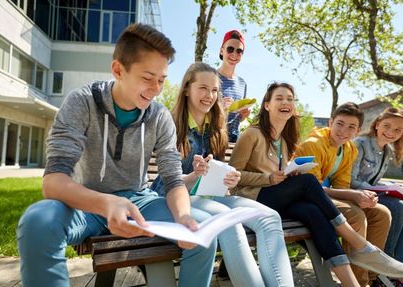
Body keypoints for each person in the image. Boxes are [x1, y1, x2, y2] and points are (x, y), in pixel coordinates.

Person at [16, 23, 217, 287]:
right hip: (85, 203)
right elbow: (53, 181)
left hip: (139, 202)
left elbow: (173, 179)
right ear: (118, 70)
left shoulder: (159, 116)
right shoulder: (81, 102)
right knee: (37, 222)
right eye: (147, 78)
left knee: (202, 231)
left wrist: (182, 216)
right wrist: (106, 203)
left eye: (161, 80)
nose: (156, 89)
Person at [229, 82, 403, 287]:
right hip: (251, 198)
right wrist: (269, 178)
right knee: (307, 182)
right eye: (279, 98)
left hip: (277, 197)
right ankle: (361, 246)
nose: (285, 102)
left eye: (290, 99)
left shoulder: (287, 139)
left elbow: (282, 175)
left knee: (314, 213)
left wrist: (289, 173)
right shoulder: (253, 134)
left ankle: (352, 284)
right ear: (267, 105)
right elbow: (233, 177)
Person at [151, 63, 294, 287]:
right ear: (187, 89)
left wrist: (229, 178)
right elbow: (170, 182)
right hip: (171, 197)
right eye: (203, 88)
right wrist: (196, 175)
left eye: (215, 90)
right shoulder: (169, 125)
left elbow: (214, 178)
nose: (210, 96)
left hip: (207, 197)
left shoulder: (216, 128)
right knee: (227, 222)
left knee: (270, 217)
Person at [295, 102, 397, 287]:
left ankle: (373, 278)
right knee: (356, 216)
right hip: (304, 199)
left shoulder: (349, 149)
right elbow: (310, 188)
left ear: (357, 131)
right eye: (340, 124)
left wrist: (360, 196)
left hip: (324, 196)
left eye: (351, 127)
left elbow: (341, 185)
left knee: (382, 213)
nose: (343, 130)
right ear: (331, 122)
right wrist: (353, 195)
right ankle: (359, 282)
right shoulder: (314, 144)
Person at [351, 107, 403, 287]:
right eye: (387, 126)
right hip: (354, 194)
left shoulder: (387, 151)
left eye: (398, 130)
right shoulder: (360, 143)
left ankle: (401, 267)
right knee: (399, 207)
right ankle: (384, 265)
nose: (391, 132)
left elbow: (374, 179)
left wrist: (391, 186)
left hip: (372, 193)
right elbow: (351, 180)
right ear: (377, 125)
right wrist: (377, 189)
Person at [218, 29, 250, 142]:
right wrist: (221, 107)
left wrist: (244, 115)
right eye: (230, 49)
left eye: (239, 51)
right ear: (222, 51)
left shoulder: (242, 83)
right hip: (213, 138)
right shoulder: (211, 77)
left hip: (234, 140)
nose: (234, 54)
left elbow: (237, 119)